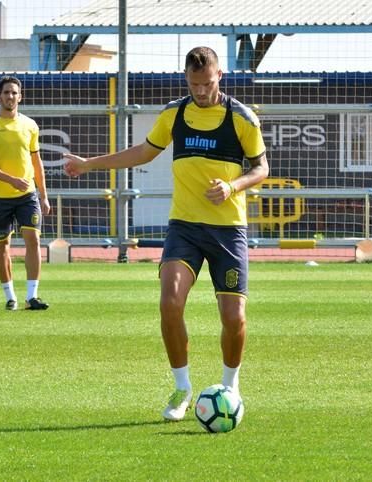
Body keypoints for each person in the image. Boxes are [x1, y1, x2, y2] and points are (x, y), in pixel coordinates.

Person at [64, 46, 269, 421]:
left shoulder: (242, 118)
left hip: (228, 230)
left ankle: (230, 386)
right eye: (194, 84)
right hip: (185, 228)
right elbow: (143, 152)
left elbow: (261, 168)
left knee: (234, 317)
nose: (201, 91)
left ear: (219, 76)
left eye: (207, 84)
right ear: (186, 79)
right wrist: (89, 164)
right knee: (169, 303)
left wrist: (233, 187)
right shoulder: (175, 113)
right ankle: (182, 388)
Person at [0, 75, 50, 310]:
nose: (10, 96)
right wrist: (11, 180)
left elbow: (37, 163)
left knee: (33, 240)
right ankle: (10, 296)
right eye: (6, 92)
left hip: (27, 195)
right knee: (2, 246)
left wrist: (43, 194)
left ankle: (32, 296)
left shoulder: (30, 125)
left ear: (21, 96)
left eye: (14, 92)